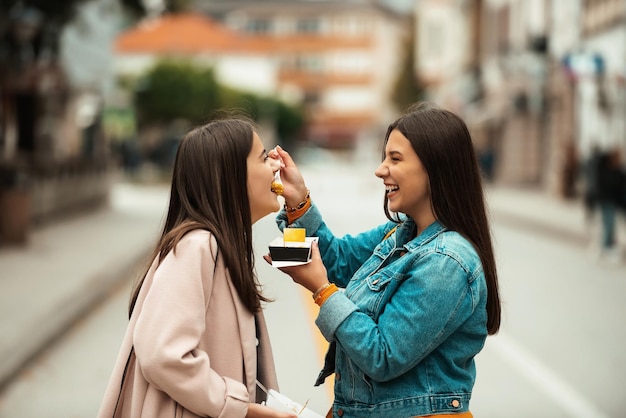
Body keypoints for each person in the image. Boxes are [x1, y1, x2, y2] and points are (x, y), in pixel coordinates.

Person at [266, 102, 501, 418]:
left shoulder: (447, 261)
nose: (380, 170)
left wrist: (322, 290)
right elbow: (338, 259)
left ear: (435, 167)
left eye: (395, 159)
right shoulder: (402, 233)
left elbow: (384, 355)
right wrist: (299, 200)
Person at [97, 118, 297, 418]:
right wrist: (243, 409)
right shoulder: (198, 246)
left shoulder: (220, 247)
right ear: (229, 176)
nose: (274, 165)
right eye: (262, 156)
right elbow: (162, 354)